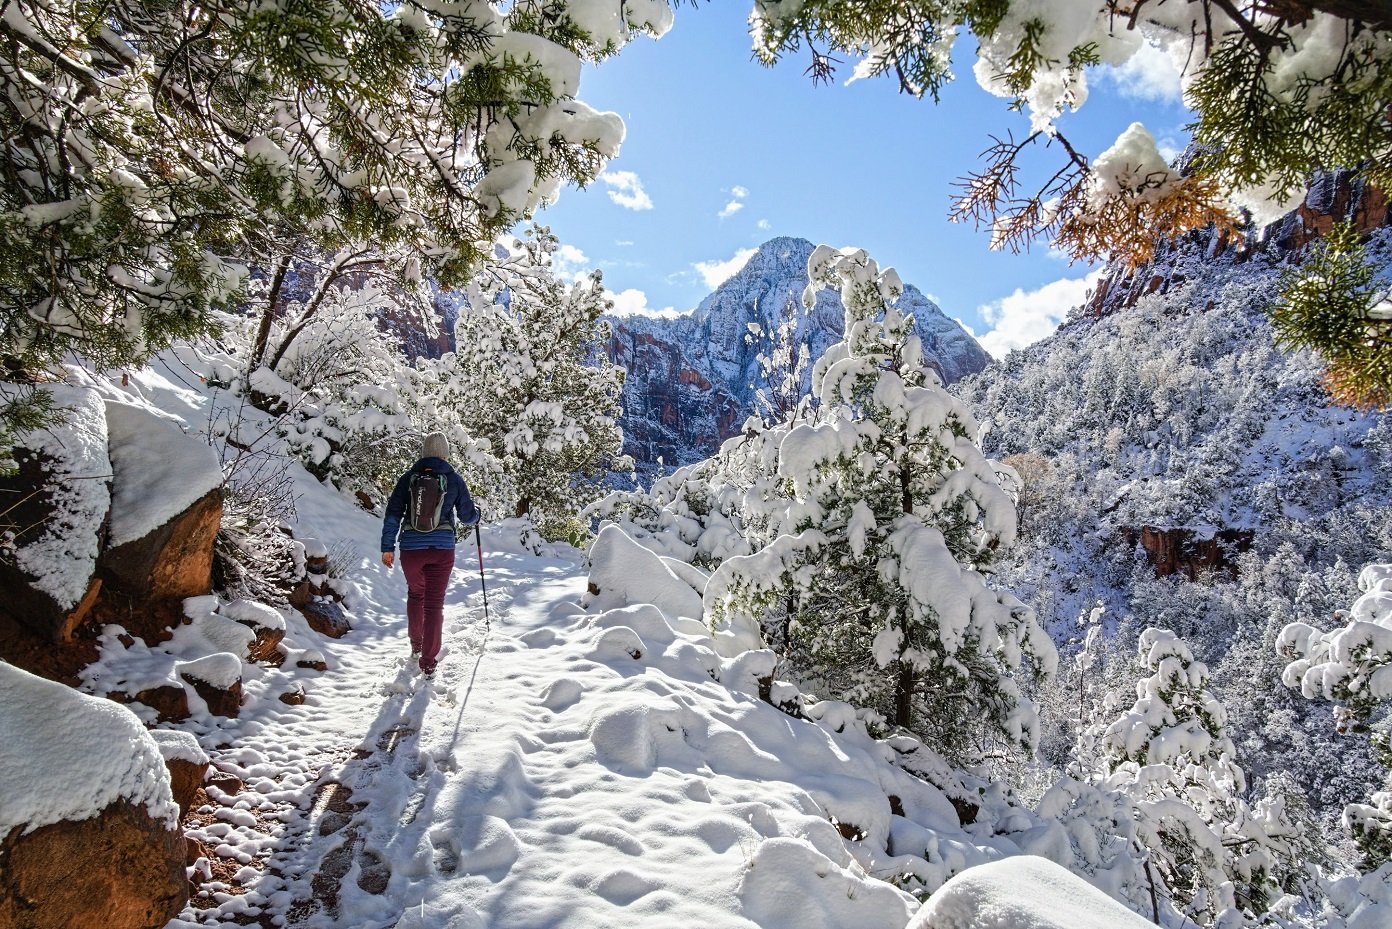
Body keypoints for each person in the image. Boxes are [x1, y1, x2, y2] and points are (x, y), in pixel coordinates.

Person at [380, 432, 480, 677]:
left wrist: (387, 547)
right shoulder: (454, 479)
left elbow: (392, 515)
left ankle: (416, 645)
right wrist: (477, 513)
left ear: (424, 453)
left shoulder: (408, 478)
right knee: (434, 605)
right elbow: (468, 517)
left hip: (411, 549)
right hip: (442, 550)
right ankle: (429, 662)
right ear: (445, 454)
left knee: (416, 595)